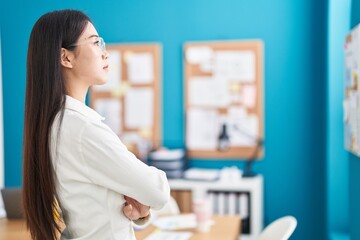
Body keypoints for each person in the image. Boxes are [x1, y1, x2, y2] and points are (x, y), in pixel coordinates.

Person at [22, 9, 170, 240]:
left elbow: (92, 202)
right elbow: (158, 191)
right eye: (95, 43)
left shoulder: (56, 123)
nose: (105, 53)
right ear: (65, 57)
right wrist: (143, 193)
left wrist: (137, 205)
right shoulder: (82, 128)